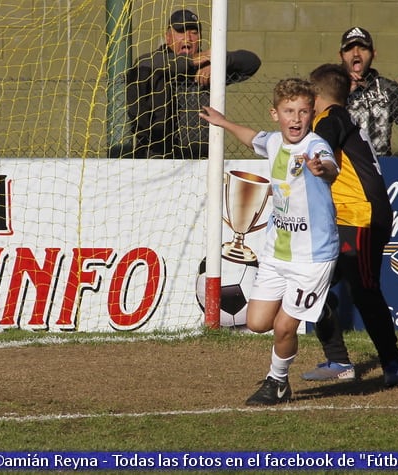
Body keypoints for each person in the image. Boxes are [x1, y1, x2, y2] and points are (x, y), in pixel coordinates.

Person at [199, 78, 340, 405]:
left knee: (284, 327)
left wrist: (322, 169)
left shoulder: (316, 146)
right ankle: (322, 309)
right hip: (277, 253)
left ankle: (277, 382)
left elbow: (329, 166)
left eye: (303, 112)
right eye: (289, 111)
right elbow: (253, 139)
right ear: (275, 113)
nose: (296, 118)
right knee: (257, 322)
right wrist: (223, 122)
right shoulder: (275, 142)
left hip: (312, 257)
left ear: (312, 114)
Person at [301, 27, 398, 382]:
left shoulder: (333, 118)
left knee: (365, 291)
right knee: (313, 288)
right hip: (344, 217)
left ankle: (392, 365)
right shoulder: (330, 120)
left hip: (361, 217)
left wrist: (307, 158)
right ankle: (339, 362)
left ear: (316, 95)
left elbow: (320, 147)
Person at [122, 9, 261, 159]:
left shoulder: (209, 66)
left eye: (194, 32)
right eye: (181, 32)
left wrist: (219, 62)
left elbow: (252, 61)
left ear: (200, 38)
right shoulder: (155, 64)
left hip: (202, 158)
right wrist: (191, 61)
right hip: (158, 158)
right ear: (168, 38)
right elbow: (143, 64)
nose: (188, 38)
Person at [339, 26, 398, 157]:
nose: (356, 53)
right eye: (349, 49)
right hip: (344, 166)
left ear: (373, 54)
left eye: (363, 48)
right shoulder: (329, 85)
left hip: (381, 165)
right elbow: (317, 123)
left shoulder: (386, 88)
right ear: (341, 55)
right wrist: (344, 92)